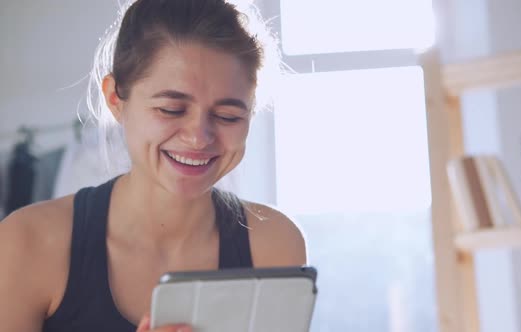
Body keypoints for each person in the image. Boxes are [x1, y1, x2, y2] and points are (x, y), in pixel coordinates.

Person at [0, 0, 307, 331]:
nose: (199, 138)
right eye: (171, 109)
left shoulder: (275, 244)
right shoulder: (27, 244)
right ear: (116, 98)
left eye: (227, 116)